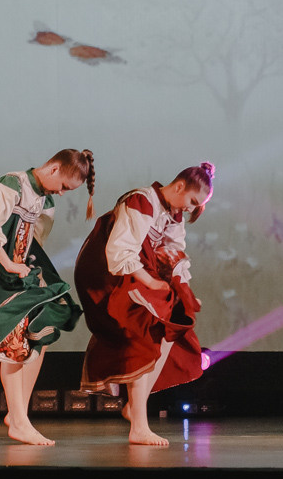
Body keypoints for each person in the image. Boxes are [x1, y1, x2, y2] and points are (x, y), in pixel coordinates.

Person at [0, 149, 95, 446]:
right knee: (14, 331)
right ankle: (18, 420)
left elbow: (33, 242)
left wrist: (24, 272)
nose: (64, 193)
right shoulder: (12, 185)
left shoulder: (46, 200)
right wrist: (8, 264)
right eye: (65, 186)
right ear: (55, 168)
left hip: (11, 274)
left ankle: (19, 414)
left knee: (41, 329)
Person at [75, 162, 214, 446]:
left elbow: (172, 253)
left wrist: (185, 291)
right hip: (108, 275)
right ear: (179, 186)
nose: (190, 209)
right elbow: (119, 252)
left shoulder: (172, 215)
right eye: (192, 201)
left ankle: (135, 409)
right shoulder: (141, 201)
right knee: (147, 330)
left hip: (137, 276)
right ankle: (139, 425)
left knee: (170, 327)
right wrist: (151, 284)